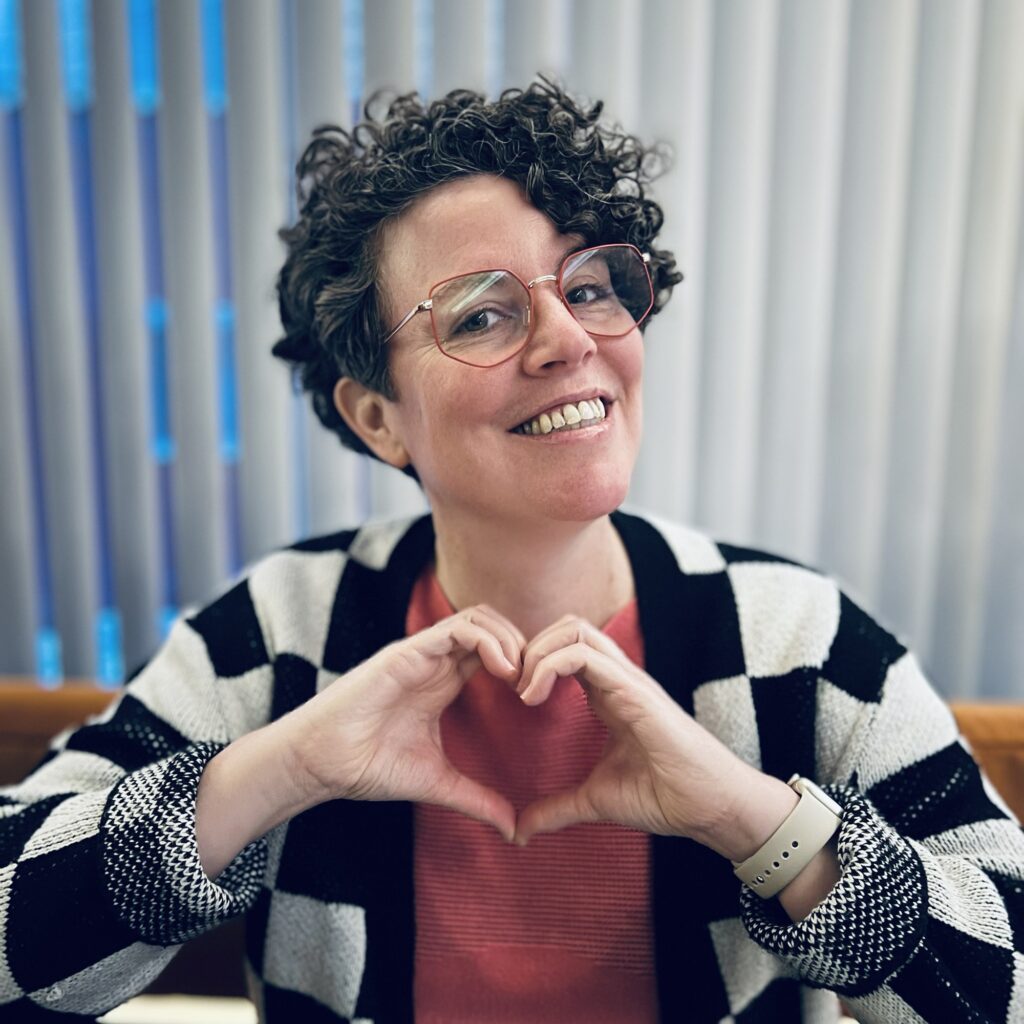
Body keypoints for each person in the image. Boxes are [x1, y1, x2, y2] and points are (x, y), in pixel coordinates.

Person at [1, 80, 1021, 1024]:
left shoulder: (800, 640)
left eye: (592, 287)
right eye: (483, 314)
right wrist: (280, 771)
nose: (569, 340)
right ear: (376, 417)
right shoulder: (277, 632)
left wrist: (761, 828)